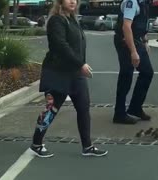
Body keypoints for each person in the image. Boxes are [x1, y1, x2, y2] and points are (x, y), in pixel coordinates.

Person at [29, 0, 108, 158]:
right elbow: (61, 45)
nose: (73, 1)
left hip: (75, 74)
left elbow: (77, 46)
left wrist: (80, 65)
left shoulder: (72, 19)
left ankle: (87, 146)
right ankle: (36, 143)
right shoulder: (56, 20)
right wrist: (81, 64)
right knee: (51, 109)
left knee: (83, 108)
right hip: (58, 72)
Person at [113, 0, 154, 124]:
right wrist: (133, 52)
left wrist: (145, 41)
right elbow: (126, 26)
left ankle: (135, 107)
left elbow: (140, 24)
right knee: (126, 75)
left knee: (147, 72)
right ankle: (119, 114)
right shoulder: (131, 2)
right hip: (125, 42)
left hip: (137, 40)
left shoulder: (144, 3)